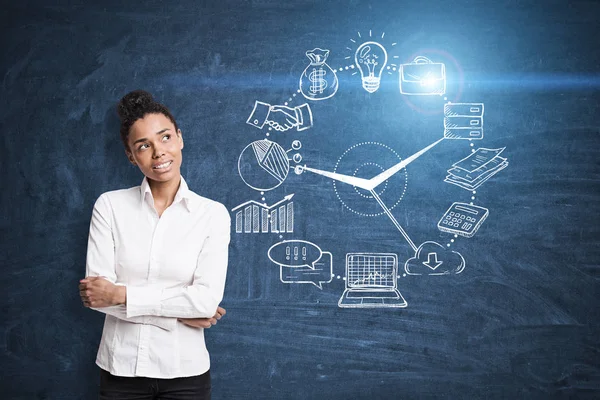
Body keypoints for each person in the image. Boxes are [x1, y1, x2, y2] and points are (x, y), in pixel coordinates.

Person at [79, 90, 230, 399]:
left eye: (165, 138)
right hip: (120, 370)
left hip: (186, 373)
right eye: (143, 146)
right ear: (131, 155)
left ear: (180, 138)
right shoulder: (110, 206)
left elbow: (204, 301)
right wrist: (180, 311)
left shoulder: (212, 214)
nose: (158, 152)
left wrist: (122, 294)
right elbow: (97, 296)